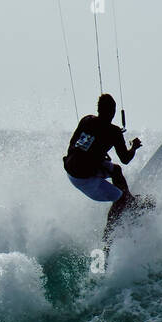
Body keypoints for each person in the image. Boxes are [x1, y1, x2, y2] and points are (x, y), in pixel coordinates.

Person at [64, 93, 144, 241]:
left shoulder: (87, 120)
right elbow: (125, 158)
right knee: (119, 198)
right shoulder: (114, 132)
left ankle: (130, 201)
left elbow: (75, 142)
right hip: (84, 177)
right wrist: (133, 147)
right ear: (113, 112)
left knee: (116, 170)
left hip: (70, 168)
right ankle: (108, 236)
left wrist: (99, 153)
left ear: (98, 109)